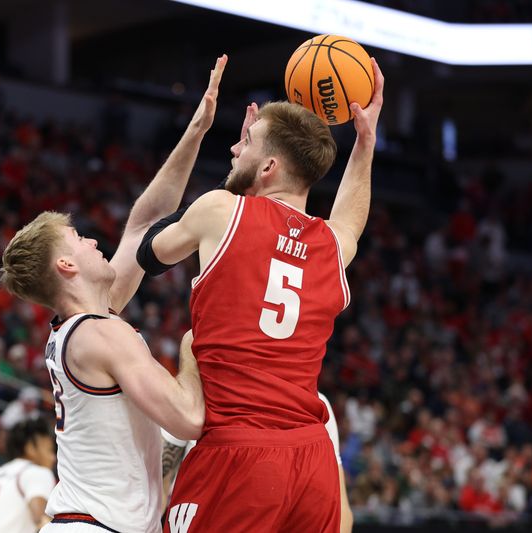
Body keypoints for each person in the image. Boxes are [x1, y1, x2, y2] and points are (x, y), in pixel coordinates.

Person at [137, 59, 384, 532]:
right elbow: (351, 219)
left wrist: (205, 146)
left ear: (269, 166)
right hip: (312, 461)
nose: (234, 147)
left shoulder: (219, 210)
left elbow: (148, 249)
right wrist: (366, 141)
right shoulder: (330, 244)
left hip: (241, 452)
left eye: (245, 142)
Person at [0, 56, 229, 533]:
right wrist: (192, 347)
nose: (94, 241)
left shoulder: (88, 325)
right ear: (66, 266)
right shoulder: (101, 334)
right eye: (80, 239)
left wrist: (196, 130)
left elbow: (145, 221)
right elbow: (188, 417)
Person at [162, 392, 353, 533]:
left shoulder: (315, 403)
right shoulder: (199, 390)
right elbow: (160, 480)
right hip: (202, 513)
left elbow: (340, 510)